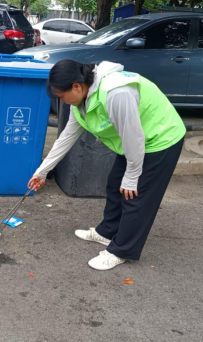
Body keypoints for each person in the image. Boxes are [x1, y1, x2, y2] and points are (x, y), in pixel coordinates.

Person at [28, 60, 186, 271]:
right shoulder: (80, 103)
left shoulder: (116, 93)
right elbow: (66, 138)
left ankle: (121, 250)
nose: (61, 101)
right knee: (115, 185)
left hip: (160, 139)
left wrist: (132, 176)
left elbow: (134, 137)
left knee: (135, 196)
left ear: (76, 86)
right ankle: (107, 232)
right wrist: (41, 172)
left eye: (61, 95)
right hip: (132, 143)